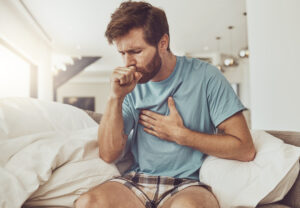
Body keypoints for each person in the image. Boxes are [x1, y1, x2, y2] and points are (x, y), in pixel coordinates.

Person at [75, 1, 256, 208]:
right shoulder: (129, 86)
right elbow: (108, 153)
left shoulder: (207, 77)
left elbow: (245, 149)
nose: (127, 63)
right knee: (88, 203)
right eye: (122, 53)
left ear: (163, 43)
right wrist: (115, 98)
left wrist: (181, 135)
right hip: (138, 180)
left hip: (188, 185)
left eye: (136, 51)